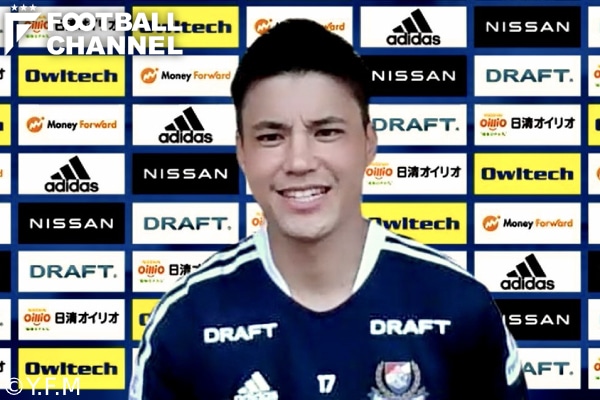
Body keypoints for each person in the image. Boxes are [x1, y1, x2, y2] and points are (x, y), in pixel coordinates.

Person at [129, 19, 529, 400]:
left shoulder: (458, 306)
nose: (299, 161)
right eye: (271, 137)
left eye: (326, 132)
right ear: (241, 152)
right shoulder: (186, 322)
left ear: (369, 142)